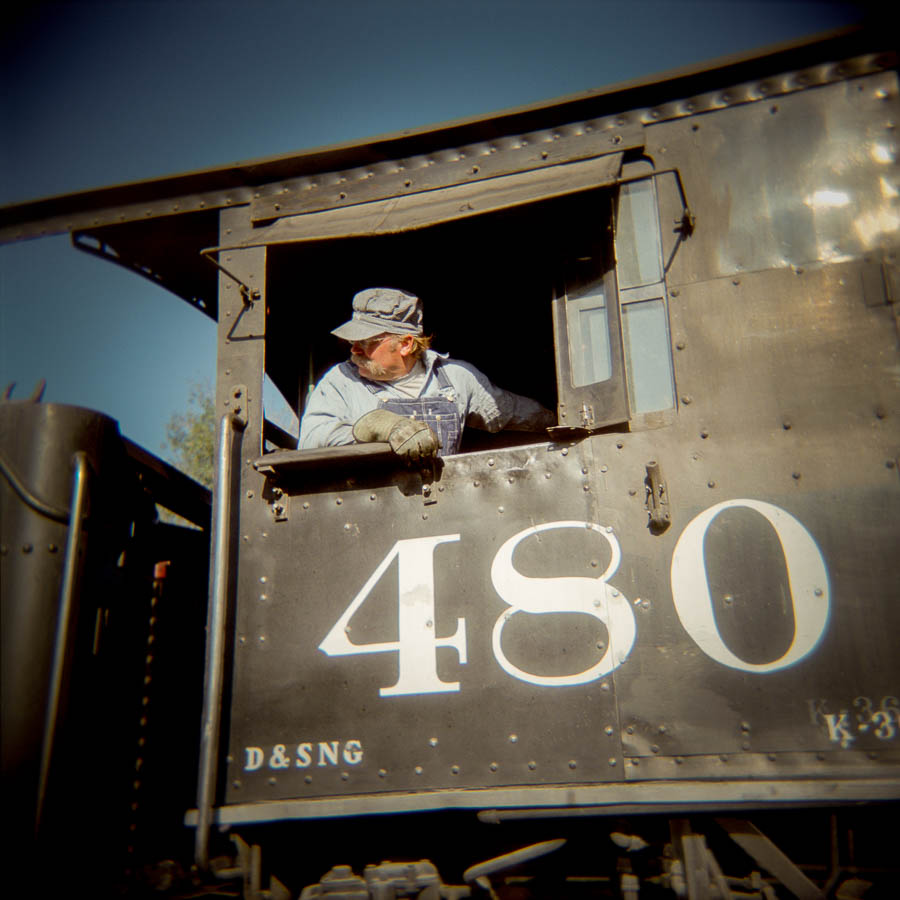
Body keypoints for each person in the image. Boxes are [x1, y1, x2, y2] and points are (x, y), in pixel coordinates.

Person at [298, 287, 555, 461]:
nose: (353, 349)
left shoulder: (456, 378)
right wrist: (372, 429)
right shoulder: (340, 381)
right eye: (352, 341)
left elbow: (509, 411)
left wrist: (556, 419)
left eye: (366, 342)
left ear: (406, 344)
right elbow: (310, 441)